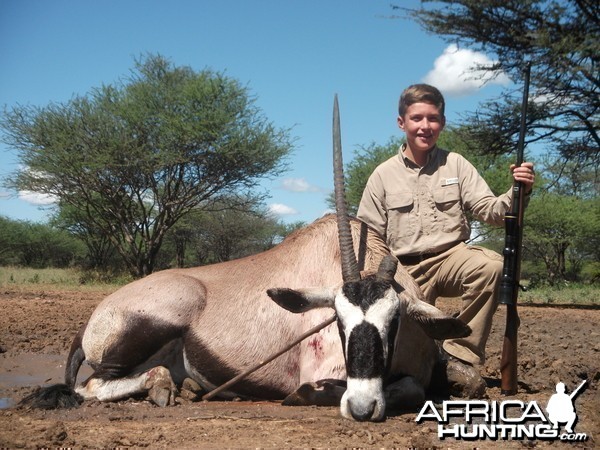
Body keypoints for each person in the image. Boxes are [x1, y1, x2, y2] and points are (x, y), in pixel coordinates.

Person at [357, 83, 535, 367]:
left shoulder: (457, 164)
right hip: (404, 270)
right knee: (403, 357)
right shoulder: (382, 175)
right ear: (401, 123)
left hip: (451, 258)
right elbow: (368, 237)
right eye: (417, 118)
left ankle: (460, 357)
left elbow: (493, 212)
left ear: (442, 123)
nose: (425, 126)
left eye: (433, 118)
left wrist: (519, 190)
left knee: (491, 266)